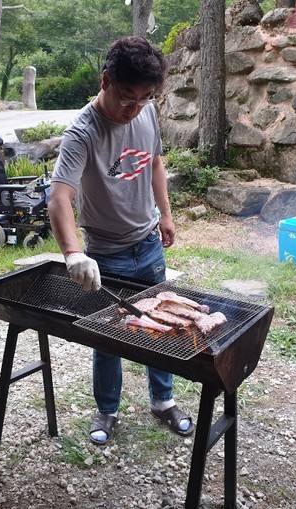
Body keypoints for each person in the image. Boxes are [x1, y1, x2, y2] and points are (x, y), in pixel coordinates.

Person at [48, 36, 195, 445]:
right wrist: (73, 253)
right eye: (127, 97)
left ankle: (162, 402)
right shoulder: (83, 132)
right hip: (106, 253)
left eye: (145, 99)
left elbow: (155, 163)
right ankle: (107, 410)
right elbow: (60, 196)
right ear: (106, 80)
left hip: (147, 244)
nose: (134, 109)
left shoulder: (145, 114)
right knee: (109, 338)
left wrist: (165, 215)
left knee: (161, 326)